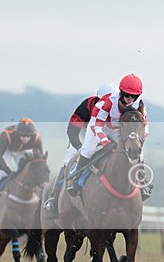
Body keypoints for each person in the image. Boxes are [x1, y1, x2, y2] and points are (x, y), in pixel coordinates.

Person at [66, 73, 149, 198]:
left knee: (136, 149)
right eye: (126, 94)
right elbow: (96, 126)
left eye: (134, 96)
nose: (130, 98)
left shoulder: (139, 106)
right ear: (121, 92)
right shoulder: (109, 101)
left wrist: (137, 140)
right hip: (98, 126)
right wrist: (105, 142)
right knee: (88, 150)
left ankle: (141, 183)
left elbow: (144, 128)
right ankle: (76, 180)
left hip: (116, 128)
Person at [43, 82, 116, 218]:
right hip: (82, 135)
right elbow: (72, 130)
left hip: (105, 133)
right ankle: (53, 198)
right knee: (68, 162)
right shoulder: (86, 106)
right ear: (97, 99)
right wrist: (79, 147)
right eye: (102, 101)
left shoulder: (118, 107)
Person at [0, 118, 43, 215]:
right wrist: (8, 171)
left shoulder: (36, 138)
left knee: (28, 170)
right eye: (23, 136)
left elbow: (39, 159)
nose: (26, 139)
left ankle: (36, 196)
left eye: (28, 136)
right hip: (7, 150)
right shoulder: (7, 135)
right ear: (18, 133)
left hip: (22, 151)